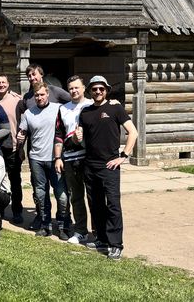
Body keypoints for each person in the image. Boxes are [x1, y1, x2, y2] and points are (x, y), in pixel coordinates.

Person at [78, 75, 139, 260]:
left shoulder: (115, 108)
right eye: (94, 89)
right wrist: (76, 138)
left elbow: (133, 132)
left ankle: (115, 244)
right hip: (90, 165)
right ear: (90, 91)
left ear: (106, 90)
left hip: (110, 165)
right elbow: (80, 138)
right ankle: (102, 239)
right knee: (95, 205)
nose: (98, 92)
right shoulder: (85, 112)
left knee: (113, 205)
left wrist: (123, 156)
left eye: (101, 89)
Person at [17, 81, 69, 239]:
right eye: (36, 95)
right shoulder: (28, 113)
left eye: (42, 94)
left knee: (62, 195)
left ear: (47, 94)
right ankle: (45, 225)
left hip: (55, 159)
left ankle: (62, 225)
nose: (39, 97)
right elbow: (23, 132)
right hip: (36, 159)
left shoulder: (59, 109)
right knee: (41, 194)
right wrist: (20, 139)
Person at [54, 75, 93, 245]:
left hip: (90, 158)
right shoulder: (63, 109)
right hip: (69, 159)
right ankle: (81, 231)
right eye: (71, 88)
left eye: (77, 87)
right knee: (76, 197)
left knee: (94, 197)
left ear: (84, 88)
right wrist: (58, 157)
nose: (74, 91)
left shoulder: (92, 105)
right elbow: (59, 135)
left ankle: (99, 233)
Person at [0, 73, 25, 224]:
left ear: (8, 84)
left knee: (15, 180)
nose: (1, 85)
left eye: (3, 82)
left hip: (12, 146)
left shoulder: (16, 100)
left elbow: (26, 118)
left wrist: (22, 140)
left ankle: (17, 210)